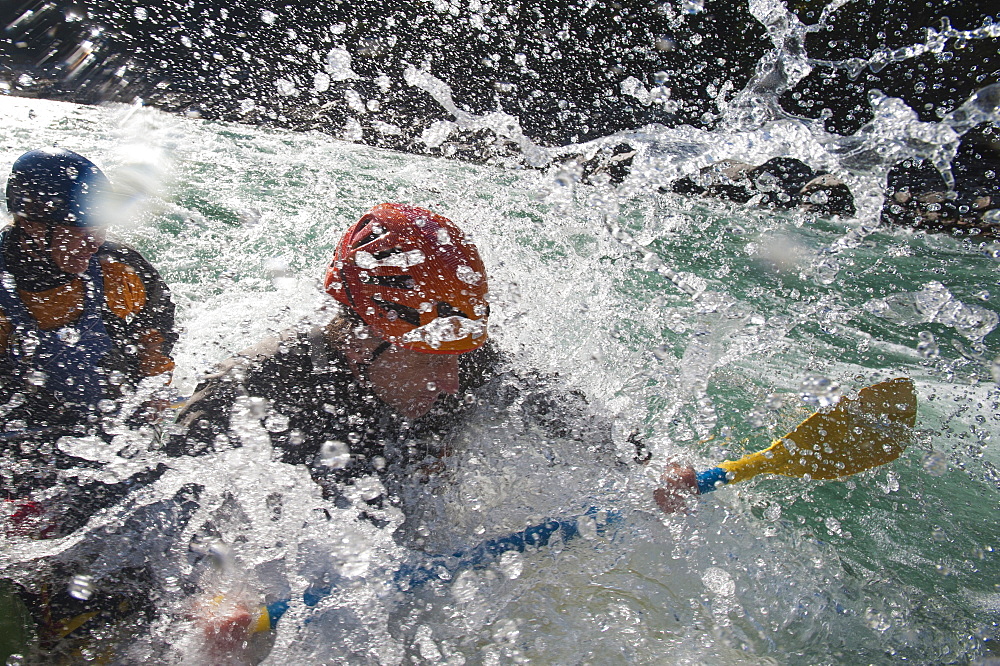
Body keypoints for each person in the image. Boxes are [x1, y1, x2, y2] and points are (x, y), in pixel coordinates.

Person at [0, 147, 177, 660]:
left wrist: (146, 429)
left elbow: (154, 366)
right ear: (30, 224)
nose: (93, 240)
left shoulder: (121, 274)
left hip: (102, 446)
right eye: (77, 228)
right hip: (21, 463)